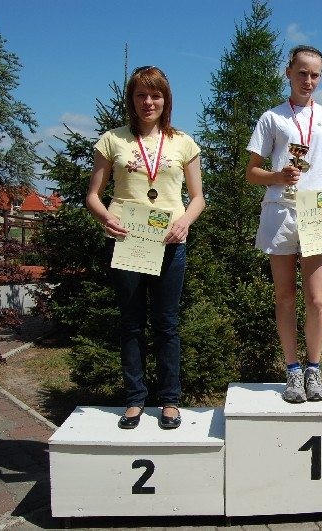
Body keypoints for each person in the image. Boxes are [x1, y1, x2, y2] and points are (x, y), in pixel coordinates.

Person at [87, 66, 205, 430]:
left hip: (170, 243)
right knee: (132, 324)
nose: (148, 102)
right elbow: (93, 195)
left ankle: (170, 400)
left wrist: (185, 222)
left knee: (167, 325)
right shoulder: (112, 140)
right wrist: (106, 217)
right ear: (132, 100)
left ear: (166, 100)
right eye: (141, 95)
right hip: (127, 241)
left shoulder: (184, 142)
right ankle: (135, 400)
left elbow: (198, 198)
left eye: (155, 95)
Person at [245, 45, 322, 403]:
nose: (308, 80)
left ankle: (314, 369)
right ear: (289, 72)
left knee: (317, 299)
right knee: (285, 296)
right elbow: (252, 172)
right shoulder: (272, 118)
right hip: (281, 211)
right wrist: (277, 175)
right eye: (302, 73)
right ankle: (292, 370)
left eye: (315, 75)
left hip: (317, 213)